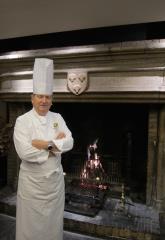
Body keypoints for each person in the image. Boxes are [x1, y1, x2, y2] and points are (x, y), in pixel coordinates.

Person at [13, 58, 74, 240]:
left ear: (52, 100)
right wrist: (55, 144)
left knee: (52, 228)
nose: (44, 100)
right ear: (32, 98)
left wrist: (42, 143)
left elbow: (70, 142)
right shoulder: (22, 121)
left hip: (54, 186)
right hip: (32, 187)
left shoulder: (58, 117)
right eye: (40, 96)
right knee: (30, 228)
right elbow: (24, 152)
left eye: (47, 97)